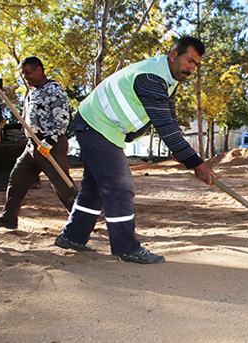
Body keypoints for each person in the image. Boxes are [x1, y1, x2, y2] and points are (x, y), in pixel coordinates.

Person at [54, 36, 216, 264]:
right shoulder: (151, 77)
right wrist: (196, 164)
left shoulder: (168, 79)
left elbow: (169, 117)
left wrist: (179, 152)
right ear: (173, 55)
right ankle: (126, 248)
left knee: (95, 188)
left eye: (196, 64)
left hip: (98, 126)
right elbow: (165, 126)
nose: (191, 68)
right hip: (97, 125)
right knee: (120, 186)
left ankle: (72, 237)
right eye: (189, 60)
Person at [0, 57, 76, 229]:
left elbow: (62, 118)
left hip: (51, 146)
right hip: (32, 146)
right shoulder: (31, 91)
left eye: (28, 72)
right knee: (17, 178)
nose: (25, 76)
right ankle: (8, 218)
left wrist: (49, 141)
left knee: (62, 184)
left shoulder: (54, 89)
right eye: (22, 73)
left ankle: (81, 219)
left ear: (39, 69)